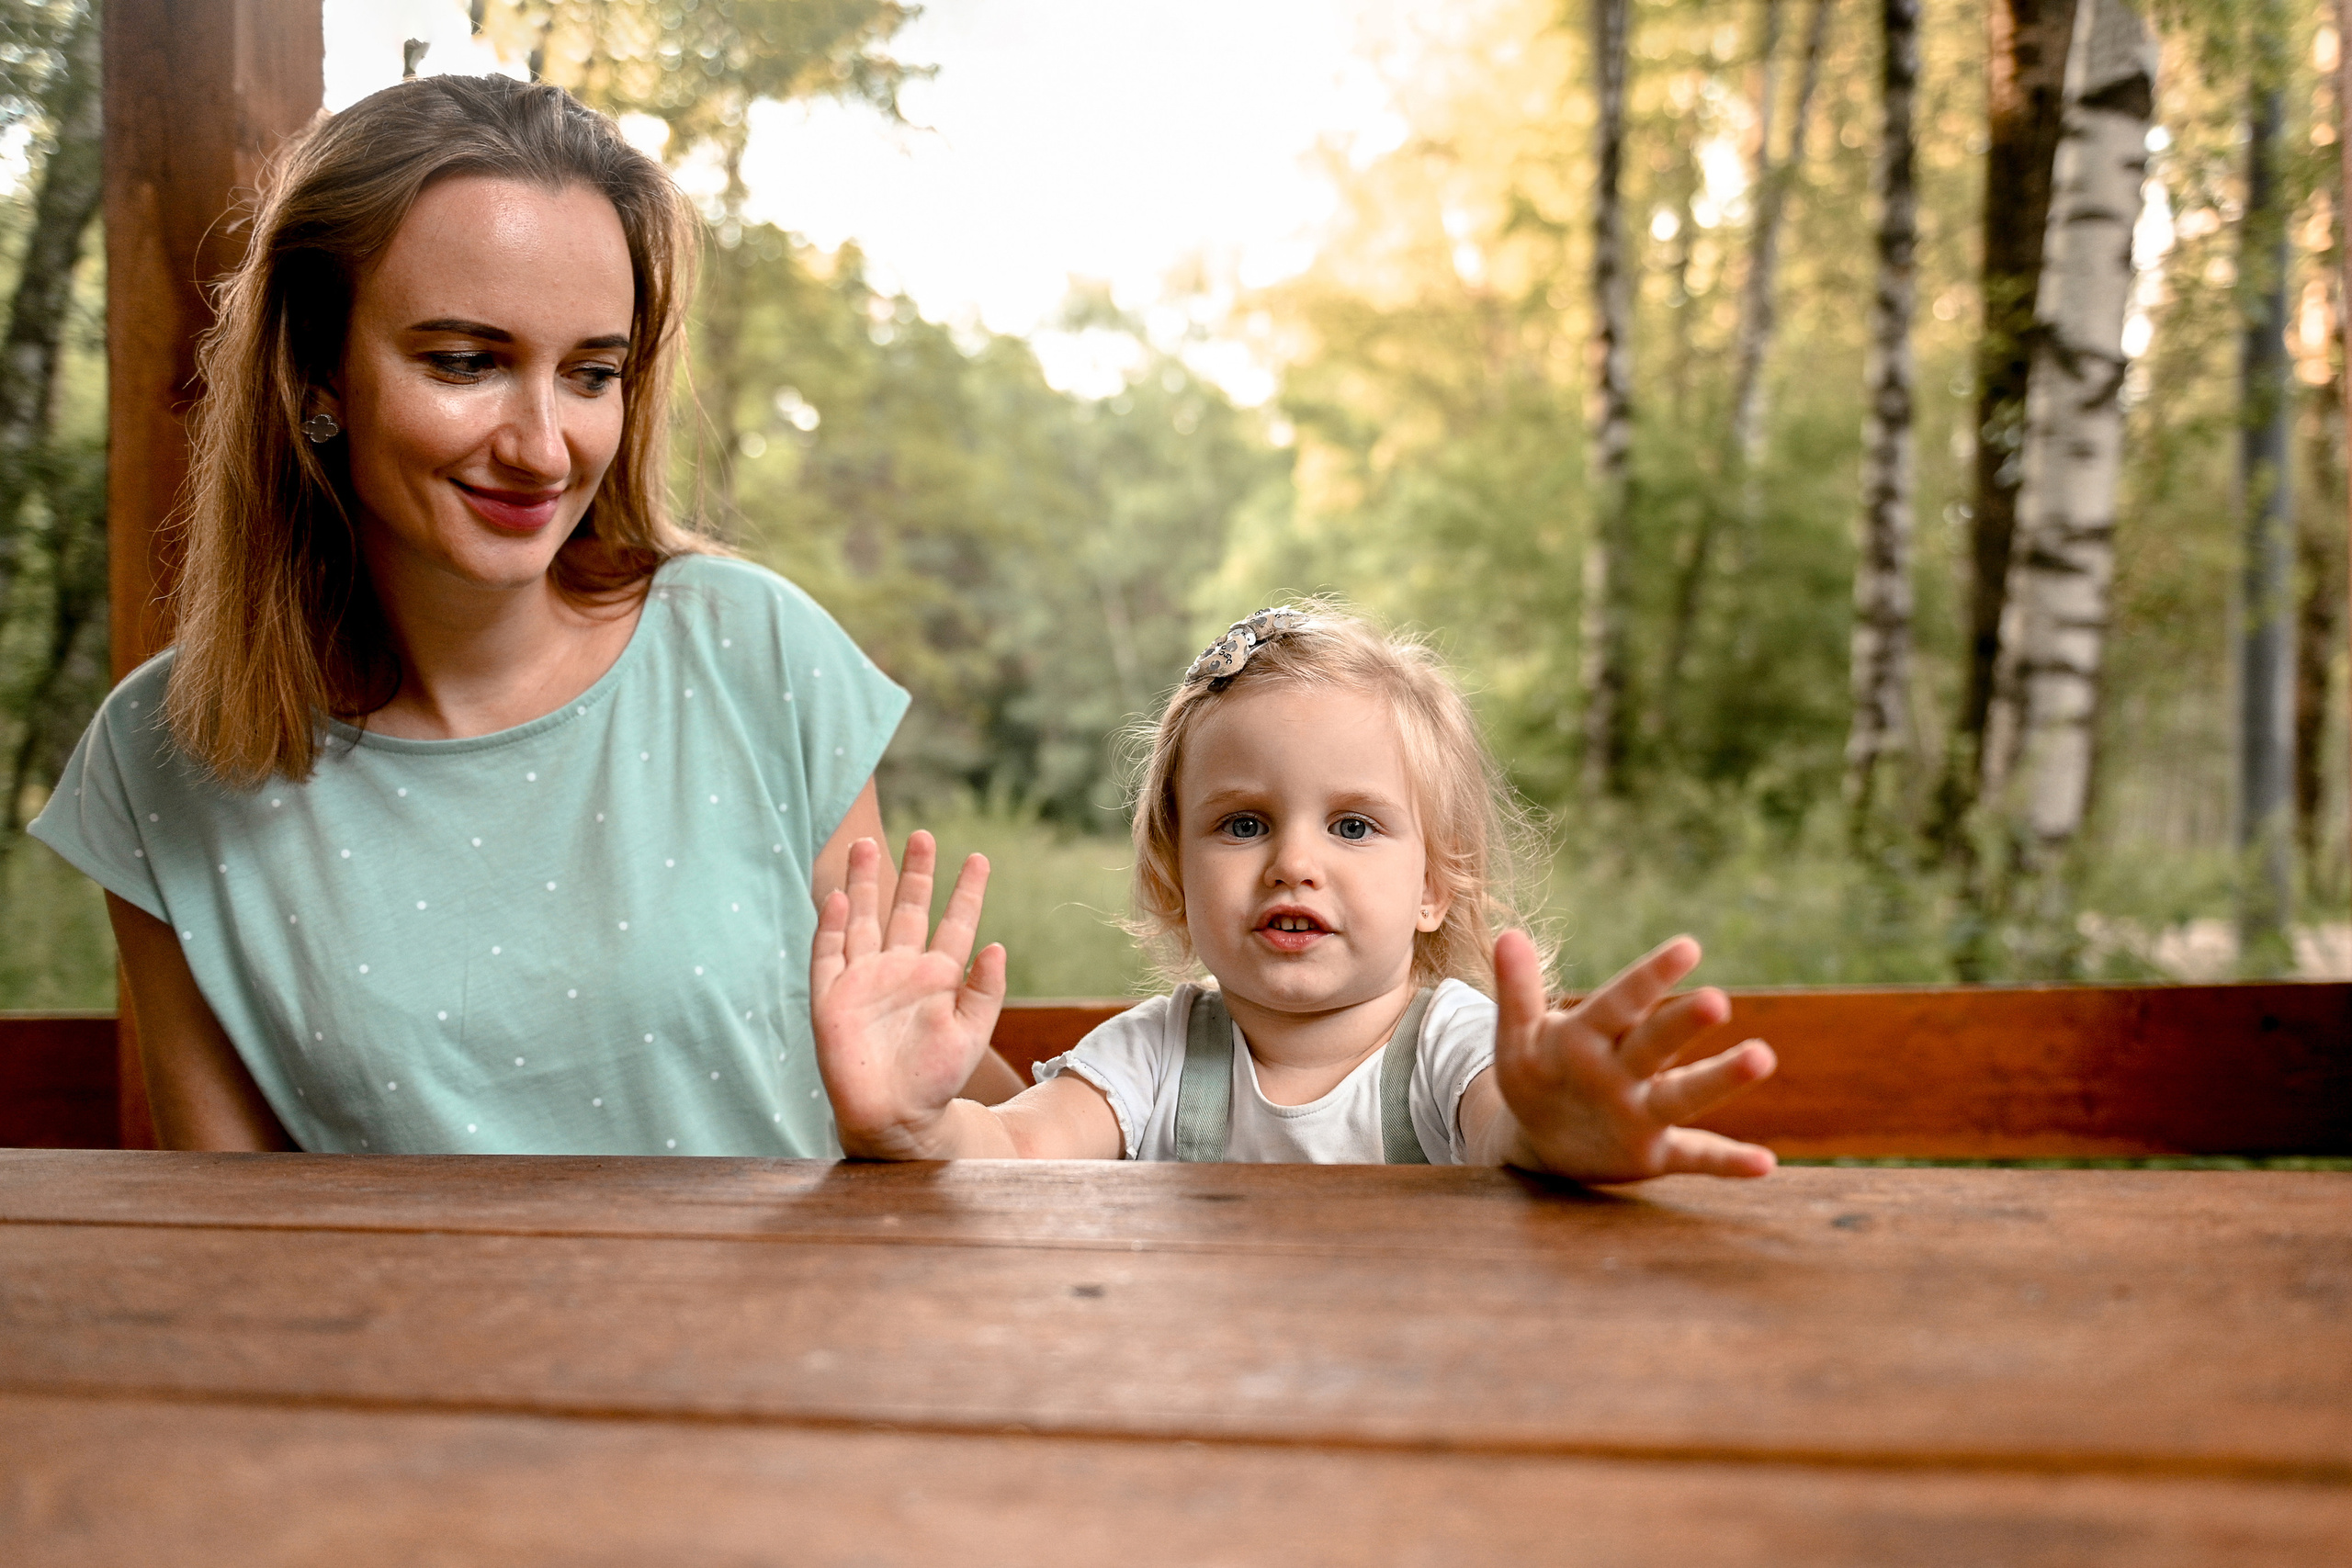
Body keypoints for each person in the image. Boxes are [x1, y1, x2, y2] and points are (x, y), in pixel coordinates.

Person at [28, 74, 1016, 1153]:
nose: (543, 449)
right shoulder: (160, 754)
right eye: (466, 363)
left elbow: (945, 1106)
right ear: (315, 371)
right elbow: (234, 1212)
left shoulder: (754, 650)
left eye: (592, 373)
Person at [810, 605, 1780, 1178]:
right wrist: (914, 1125)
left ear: (1436, 884)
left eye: (1353, 826)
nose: (1293, 863)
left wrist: (1557, 1132)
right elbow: (1017, 1150)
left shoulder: (1448, 1045)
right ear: (1173, 879)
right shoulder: (1154, 1057)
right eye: (1243, 824)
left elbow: (1505, 1131)